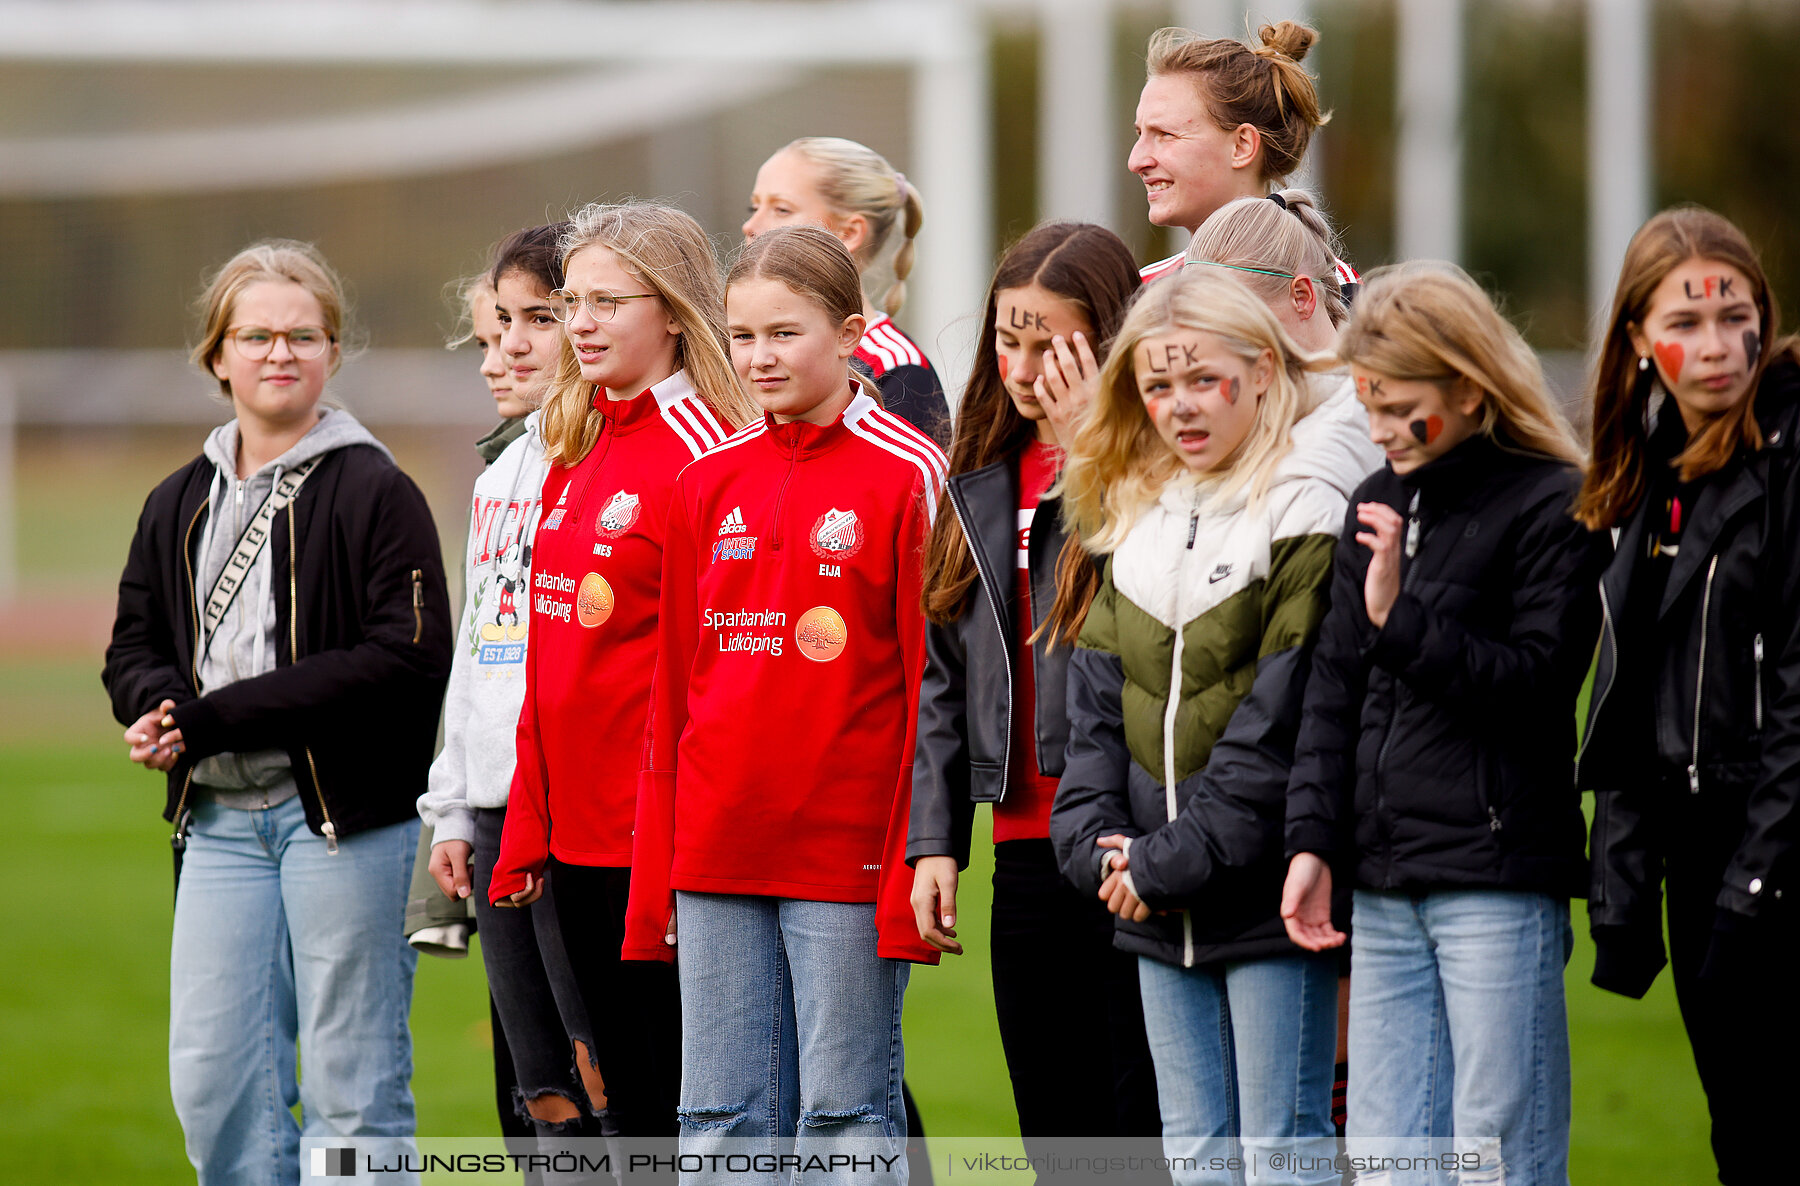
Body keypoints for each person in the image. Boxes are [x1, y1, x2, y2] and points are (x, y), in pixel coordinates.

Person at [103, 240, 452, 1184]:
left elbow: (409, 658)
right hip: (214, 824)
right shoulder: (176, 500)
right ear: (218, 355)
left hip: (344, 823)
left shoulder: (380, 491)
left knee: (354, 1087)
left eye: (305, 334)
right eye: (255, 335)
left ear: (334, 352)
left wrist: (217, 718)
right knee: (216, 1084)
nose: (279, 352)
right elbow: (130, 647)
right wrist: (158, 712)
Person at [624, 225, 946, 1185]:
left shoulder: (908, 474)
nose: (760, 357)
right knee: (717, 1118)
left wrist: (915, 857)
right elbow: (675, 689)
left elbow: (933, 690)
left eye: (785, 334)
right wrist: (662, 862)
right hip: (717, 845)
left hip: (843, 853)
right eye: (743, 336)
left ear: (851, 332)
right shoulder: (705, 479)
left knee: (844, 1120)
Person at [1281, 263, 1609, 1185]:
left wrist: (1402, 621)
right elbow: (1332, 696)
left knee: (1497, 1156)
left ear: (1469, 387)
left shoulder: (1555, 500)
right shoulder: (1375, 500)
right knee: (1389, 1159)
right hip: (1383, 884)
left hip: (1496, 883)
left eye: (1399, 406)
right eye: (1367, 404)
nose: (1380, 430)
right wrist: (1313, 843)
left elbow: (1540, 685)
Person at [1047, 267, 1371, 1186]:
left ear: (1264, 372)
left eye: (1202, 379)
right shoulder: (1130, 519)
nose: (1178, 406)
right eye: (1157, 385)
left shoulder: (1306, 507)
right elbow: (1093, 727)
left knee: (1284, 1151)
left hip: (1265, 901)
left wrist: (1159, 864)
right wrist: (1102, 851)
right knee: (1193, 1155)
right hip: (1148, 903)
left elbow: (1283, 728)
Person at [484, 202, 758, 1147]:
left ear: (675, 311)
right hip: (572, 845)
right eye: (573, 302)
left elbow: (719, 681)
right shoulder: (576, 441)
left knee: (691, 1108)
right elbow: (550, 665)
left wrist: (674, 849)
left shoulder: (711, 455)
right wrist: (527, 824)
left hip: (667, 851)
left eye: (608, 301)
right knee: (619, 1114)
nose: (583, 323)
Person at [906, 221, 1165, 1157]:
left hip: (1132, 839)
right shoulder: (976, 471)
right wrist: (935, 842)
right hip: (1022, 850)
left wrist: (1099, 451)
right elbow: (944, 673)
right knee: (1055, 1138)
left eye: (1049, 344)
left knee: (1136, 1139)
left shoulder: (1156, 464)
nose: (1021, 367)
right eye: (1006, 340)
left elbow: (1150, 612)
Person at [1575, 206, 1800, 1186]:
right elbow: (1630, 697)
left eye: (1733, 316)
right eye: (1686, 321)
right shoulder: (1646, 474)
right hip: (1699, 857)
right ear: (1636, 339)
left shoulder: (1789, 452)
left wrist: (1755, 886)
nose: (1715, 347)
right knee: (1740, 1139)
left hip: (1775, 854)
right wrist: (1624, 896)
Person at [1185, 189, 1386, 1134]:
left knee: (1305, 1115)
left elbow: (1300, 650)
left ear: (1305, 298)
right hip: (1262, 789)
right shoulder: (1269, 419)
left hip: (1332, 789)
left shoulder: (1343, 431)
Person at [416, 224, 600, 1162]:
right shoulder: (502, 474)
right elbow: (482, 651)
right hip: (491, 811)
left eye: (537, 320)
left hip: (577, 814)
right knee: (539, 1101)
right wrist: (452, 802)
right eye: (493, 332)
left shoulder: (609, 464)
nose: (509, 351)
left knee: (606, 1086)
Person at [743, 135, 949, 443]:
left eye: (781, 209)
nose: (750, 226)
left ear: (849, 232)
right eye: (754, 206)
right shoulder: (743, 352)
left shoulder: (897, 372)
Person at [1128, 22, 1354, 293]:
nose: (1136, 161)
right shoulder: (1137, 292)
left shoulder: (1332, 290)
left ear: (1242, 146)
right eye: (1140, 134)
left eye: (1165, 134)